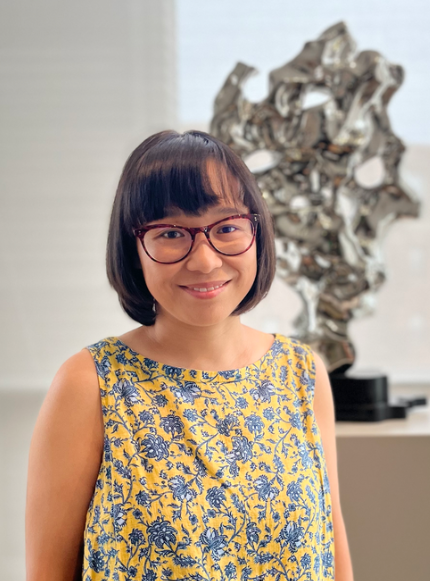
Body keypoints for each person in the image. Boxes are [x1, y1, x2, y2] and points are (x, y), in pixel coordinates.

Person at [25, 130, 354, 581]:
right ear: (132, 247)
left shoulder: (302, 373)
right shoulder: (90, 383)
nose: (204, 260)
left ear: (257, 232)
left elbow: (333, 553)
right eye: (171, 233)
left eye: (226, 227)